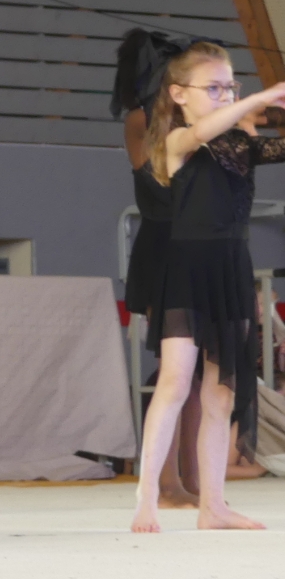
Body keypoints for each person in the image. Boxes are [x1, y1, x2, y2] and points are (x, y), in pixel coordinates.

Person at [129, 40, 285, 533]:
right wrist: (257, 99)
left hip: (232, 267)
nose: (225, 95)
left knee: (221, 394)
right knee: (176, 382)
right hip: (187, 268)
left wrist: (264, 107)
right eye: (213, 88)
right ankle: (147, 496)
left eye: (230, 87)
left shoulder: (240, 146)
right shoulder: (176, 141)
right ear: (179, 94)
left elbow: (272, 146)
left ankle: (213, 505)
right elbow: (203, 132)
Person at [113, 30, 202, 507]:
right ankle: (166, 481)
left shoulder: (195, 123)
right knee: (174, 369)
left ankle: (191, 476)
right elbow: (161, 175)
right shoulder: (142, 120)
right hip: (164, 245)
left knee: (200, 373)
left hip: (200, 245)